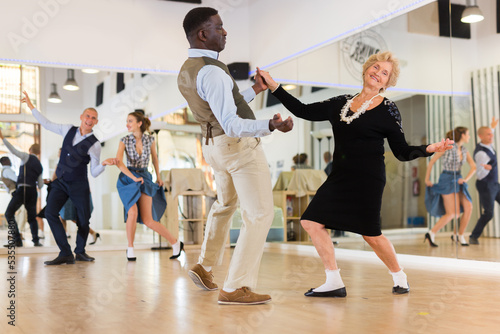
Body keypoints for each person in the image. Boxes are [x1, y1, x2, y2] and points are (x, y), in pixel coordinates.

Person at [258, 51, 453, 297]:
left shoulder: (388, 109)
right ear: (366, 69)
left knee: (370, 234)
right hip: (339, 176)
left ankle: (399, 276)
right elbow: (303, 110)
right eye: (376, 67)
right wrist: (274, 86)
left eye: (385, 73)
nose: (378, 73)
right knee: (310, 221)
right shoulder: (340, 102)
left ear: (386, 83)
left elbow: (402, 151)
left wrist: (429, 149)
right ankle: (334, 280)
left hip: (368, 179)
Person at [178, 7, 293, 305]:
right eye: (219, 27)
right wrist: (270, 125)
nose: (225, 31)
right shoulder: (213, 72)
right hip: (236, 147)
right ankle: (236, 286)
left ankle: (204, 265)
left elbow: (224, 105)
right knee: (260, 215)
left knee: (226, 203)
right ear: (203, 34)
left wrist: (255, 89)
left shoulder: (188, 69)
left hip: (213, 148)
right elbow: (231, 122)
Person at [22, 91, 115, 265]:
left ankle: (80, 251)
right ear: (82, 117)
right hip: (61, 182)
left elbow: (94, 172)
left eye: (93, 118)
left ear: (96, 122)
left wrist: (104, 164)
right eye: (87, 116)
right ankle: (65, 252)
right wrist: (31, 106)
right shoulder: (67, 130)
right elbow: (47, 124)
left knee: (84, 220)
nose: (89, 119)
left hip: (79, 183)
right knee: (50, 213)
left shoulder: (95, 144)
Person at [113, 111, 182, 261]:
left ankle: (176, 243)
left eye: (130, 121)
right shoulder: (124, 140)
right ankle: (130, 248)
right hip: (128, 178)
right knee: (132, 212)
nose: (127, 124)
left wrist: (158, 176)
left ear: (139, 123)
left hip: (145, 177)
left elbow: (155, 159)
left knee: (148, 220)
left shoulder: (150, 139)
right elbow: (119, 162)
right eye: (127, 121)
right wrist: (133, 178)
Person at [424, 127, 476, 247]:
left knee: (468, 207)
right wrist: (427, 179)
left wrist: (465, 179)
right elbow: (431, 162)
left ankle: (459, 235)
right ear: (462, 135)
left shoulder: (464, 149)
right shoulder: (447, 148)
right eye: (467, 134)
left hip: (458, 180)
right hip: (446, 180)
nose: (469, 137)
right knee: (452, 213)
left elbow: (473, 166)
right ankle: (431, 233)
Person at [1, 129, 43, 247]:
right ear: (38, 152)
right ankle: (36, 241)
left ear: (30, 150)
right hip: (32, 191)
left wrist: (2, 137)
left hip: (22, 190)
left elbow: (13, 150)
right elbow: (40, 185)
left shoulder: (26, 156)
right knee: (32, 217)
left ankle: (17, 240)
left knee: (9, 213)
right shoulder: (40, 166)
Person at [469, 118, 500, 245]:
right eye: (488, 134)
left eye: (491, 133)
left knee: (488, 213)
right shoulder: (481, 153)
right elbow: (480, 174)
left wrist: (491, 127)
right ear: (481, 136)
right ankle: (473, 236)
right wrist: (489, 169)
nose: (491, 136)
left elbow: (488, 135)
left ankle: (473, 236)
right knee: (488, 213)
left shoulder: (487, 145)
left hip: (494, 184)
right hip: (485, 185)